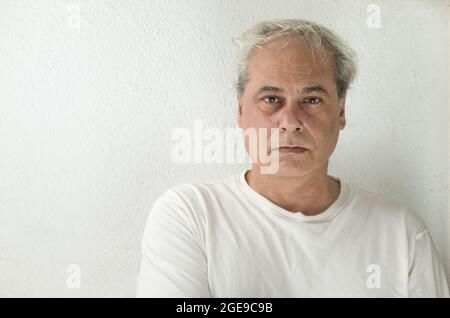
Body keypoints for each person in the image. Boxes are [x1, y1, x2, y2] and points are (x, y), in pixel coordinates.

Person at [136, 19, 449, 297]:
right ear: (240, 109)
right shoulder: (191, 217)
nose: (290, 120)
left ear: (341, 111)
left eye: (311, 100)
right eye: (271, 99)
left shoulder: (401, 231)